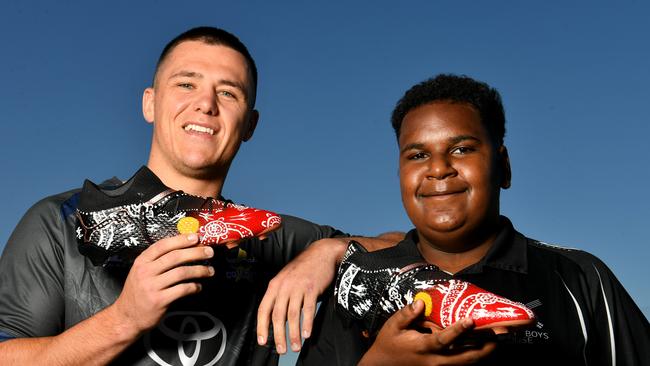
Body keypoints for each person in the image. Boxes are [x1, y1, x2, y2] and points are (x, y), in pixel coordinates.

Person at [0, 26, 391, 365]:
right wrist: (124, 319)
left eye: (229, 93)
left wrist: (331, 251)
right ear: (150, 103)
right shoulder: (65, 219)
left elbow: (406, 247)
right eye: (186, 84)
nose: (205, 104)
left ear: (249, 125)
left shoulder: (267, 236)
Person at [297, 74, 650, 365]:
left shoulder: (580, 279)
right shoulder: (356, 288)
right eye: (418, 155)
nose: (438, 169)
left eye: (462, 149)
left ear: (504, 167)